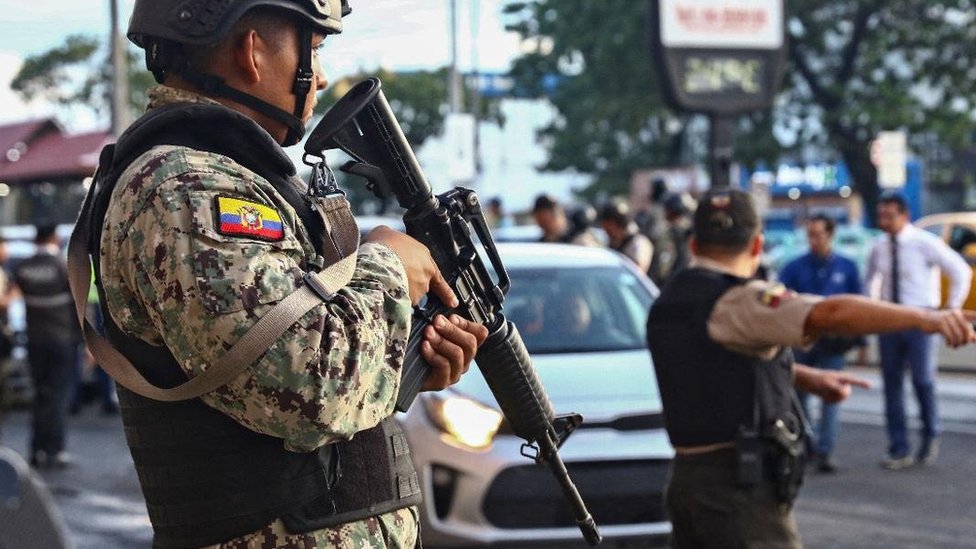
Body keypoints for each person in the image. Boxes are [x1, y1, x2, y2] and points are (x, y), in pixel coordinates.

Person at [78, 1, 487, 547]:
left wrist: (395, 360)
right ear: (252, 52)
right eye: (313, 50)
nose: (321, 76)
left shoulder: (236, 176)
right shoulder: (188, 187)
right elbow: (307, 385)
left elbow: (306, 362)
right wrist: (389, 266)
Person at [646, 189, 976, 549]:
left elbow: (717, 366)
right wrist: (926, 318)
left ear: (694, 244)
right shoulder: (739, 299)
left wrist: (805, 377)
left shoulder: (668, 300)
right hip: (736, 488)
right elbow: (829, 313)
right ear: (757, 245)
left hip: (686, 480)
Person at [865, 191, 972, 469]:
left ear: (904, 216)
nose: (884, 221)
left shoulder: (924, 242)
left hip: (921, 320)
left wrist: (951, 309)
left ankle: (930, 435)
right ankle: (898, 447)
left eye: (889, 216)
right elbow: (870, 281)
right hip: (890, 320)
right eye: (881, 215)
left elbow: (960, 270)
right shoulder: (878, 246)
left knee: (923, 380)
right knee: (892, 385)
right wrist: (871, 311)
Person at [777, 214, 864, 473]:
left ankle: (826, 450)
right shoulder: (794, 267)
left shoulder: (847, 267)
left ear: (830, 235)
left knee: (832, 394)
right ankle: (807, 444)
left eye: (818, 235)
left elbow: (858, 304)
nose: (813, 240)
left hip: (834, 341)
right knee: (799, 395)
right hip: (802, 339)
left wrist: (860, 340)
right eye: (810, 235)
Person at [12, 225, 80, 469]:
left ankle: (36, 448)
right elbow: (77, 304)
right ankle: (55, 449)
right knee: (59, 395)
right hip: (62, 340)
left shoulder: (23, 267)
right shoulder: (63, 266)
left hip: (34, 340)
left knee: (40, 394)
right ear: (54, 238)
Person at [597, 199, 654, 273]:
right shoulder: (613, 242)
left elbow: (636, 273)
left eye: (607, 226)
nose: (605, 229)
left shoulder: (638, 244)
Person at [531, 194, 601, 246]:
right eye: (542, 222)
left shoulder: (581, 239)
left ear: (560, 214)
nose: (544, 225)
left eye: (546, 221)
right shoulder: (543, 244)